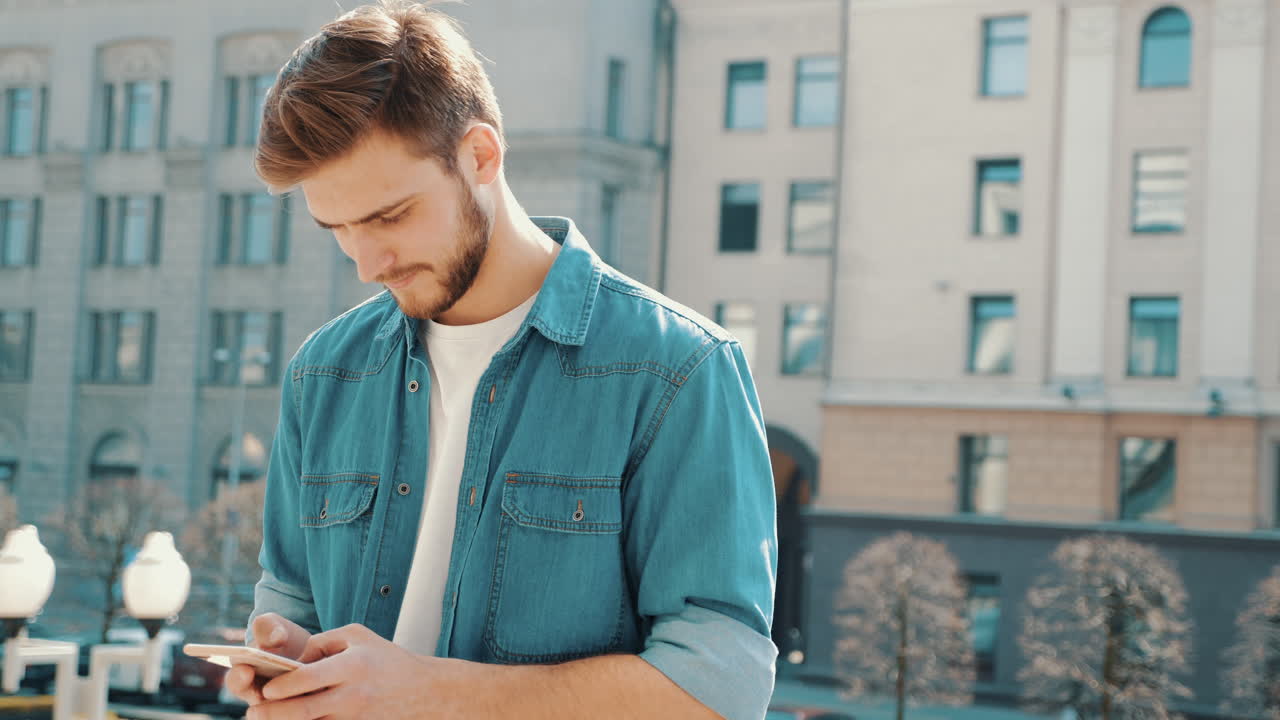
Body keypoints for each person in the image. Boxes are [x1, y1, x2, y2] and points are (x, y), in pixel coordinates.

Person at [224, 2, 778, 718]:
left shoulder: (677, 370)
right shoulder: (324, 371)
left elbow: (720, 686)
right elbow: (290, 600)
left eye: (390, 216)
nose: (368, 263)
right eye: (339, 228)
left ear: (481, 156)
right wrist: (286, 660)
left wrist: (430, 693)